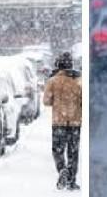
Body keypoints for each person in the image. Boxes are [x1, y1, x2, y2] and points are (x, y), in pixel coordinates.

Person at [42, 51, 82, 190]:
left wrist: (57, 99)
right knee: (73, 151)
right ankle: (71, 180)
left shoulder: (53, 81)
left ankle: (62, 170)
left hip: (58, 121)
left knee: (58, 150)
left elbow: (46, 101)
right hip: (76, 122)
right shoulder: (78, 81)